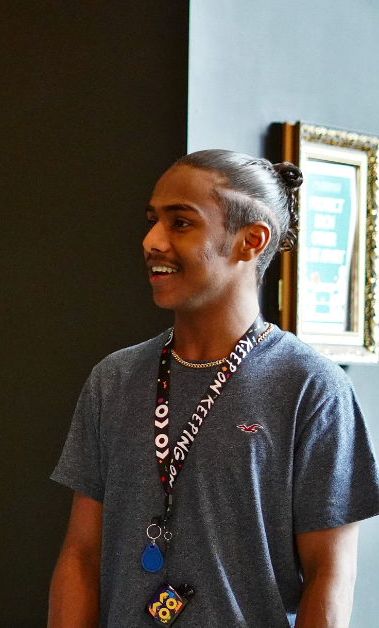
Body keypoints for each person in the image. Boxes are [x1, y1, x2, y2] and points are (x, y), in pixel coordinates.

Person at [48, 149, 379, 627]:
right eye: (152, 220)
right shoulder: (114, 378)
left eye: (180, 223)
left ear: (250, 241)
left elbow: (330, 573)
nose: (151, 241)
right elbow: (81, 556)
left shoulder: (311, 387)